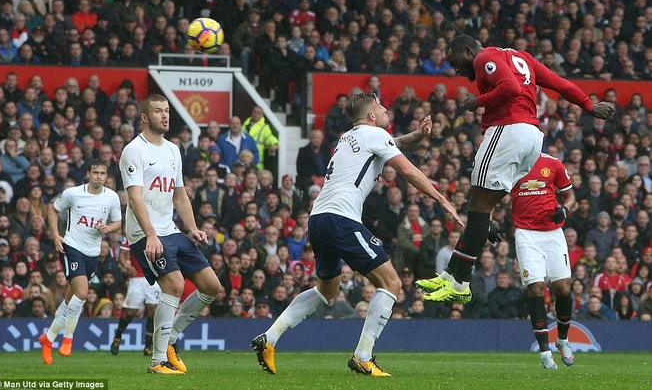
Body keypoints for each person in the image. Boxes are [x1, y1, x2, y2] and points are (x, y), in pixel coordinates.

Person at [251, 92, 462, 376]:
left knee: (327, 291)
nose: (387, 110)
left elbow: (394, 144)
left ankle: (269, 338)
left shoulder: (349, 137)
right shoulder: (375, 136)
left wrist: (417, 136)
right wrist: (442, 199)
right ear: (372, 116)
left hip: (318, 218)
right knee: (391, 282)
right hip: (341, 218)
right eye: (382, 107)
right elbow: (408, 171)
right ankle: (363, 355)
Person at [416, 35, 614, 303]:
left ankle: (460, 282)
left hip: (509, 129)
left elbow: (510, 88)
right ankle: (451, 275)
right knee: (480, 211)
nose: (457, 70)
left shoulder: (485, 57)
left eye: (456, 61)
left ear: (467, 50)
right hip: (531, 136)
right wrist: (589, 105)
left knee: (476, 209)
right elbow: (559, 83)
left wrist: (479, 101)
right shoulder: (524, 58)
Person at [119, 94, 221, 375]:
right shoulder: (134, 151)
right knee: (174, 285)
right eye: (157, 111)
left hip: (171, 230)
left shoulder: (173, 150)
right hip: (145, 233)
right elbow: (135, 199)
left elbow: (179, 194)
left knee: (212, 287)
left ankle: (171, 338)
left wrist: (192, 228)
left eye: (166, 111)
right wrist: (151, 235)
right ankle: (157, 360)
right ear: (144, 117)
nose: (164, 116)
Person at [39, 159, 122, 365]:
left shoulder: (111, 197)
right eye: (96, 173)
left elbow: (118, 223)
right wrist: (56, 235)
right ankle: (68, 339)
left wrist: (108, 229)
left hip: (92, 253)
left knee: (70, 302)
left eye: (103, 173)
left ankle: (47, 339)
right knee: (82, 293)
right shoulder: (73, 193)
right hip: (72, 247)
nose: (99, 177)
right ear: (88, 173)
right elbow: (52, 209)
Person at [510, 153, 577, 369]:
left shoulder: (553, 164)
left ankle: (563, 339)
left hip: (553, 232)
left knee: (563, 288)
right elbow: (492, 194)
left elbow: (570, 197)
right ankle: (544, 351)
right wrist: (489, 220)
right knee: (536, 287)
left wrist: (565, 210)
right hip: (526, 233)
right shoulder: (511, 164)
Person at [110, 238, 162, 356]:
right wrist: (125, 265)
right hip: (136, 278)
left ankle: (148, 346)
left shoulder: (157, 233)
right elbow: (122, 255)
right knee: (130, 312)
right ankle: (117, 336)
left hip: (154, 276)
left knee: (152, 309)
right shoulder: (132, 234)